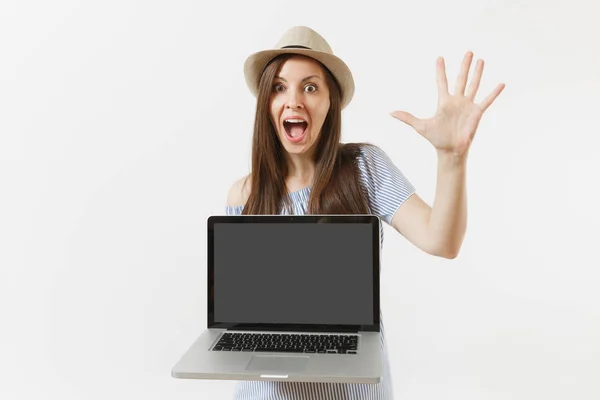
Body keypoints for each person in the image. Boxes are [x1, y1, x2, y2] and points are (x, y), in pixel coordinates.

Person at [225, 26, 504, 400]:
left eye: (310, 87)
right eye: (279, 87)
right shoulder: (243, 195)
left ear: (330, 103)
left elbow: (443, 241)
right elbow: (242, 310)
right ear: (266, 104)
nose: (293, 101)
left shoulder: (364, 168)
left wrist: (452, 157)